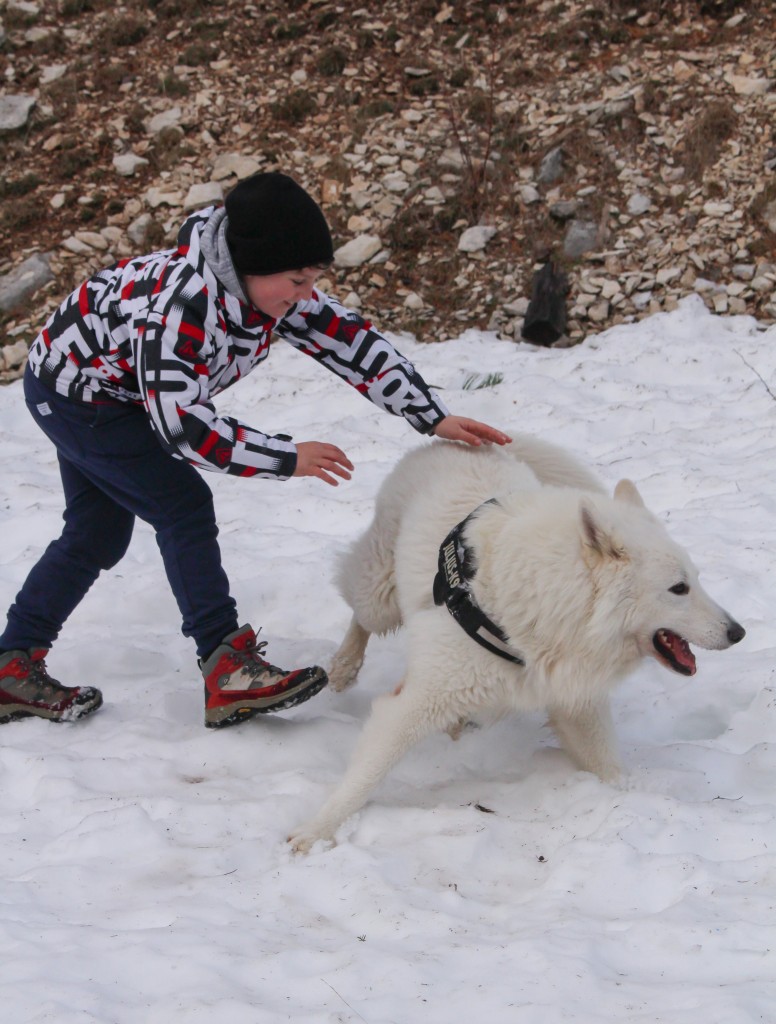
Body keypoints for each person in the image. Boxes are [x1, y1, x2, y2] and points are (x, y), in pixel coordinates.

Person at [0, 171, 512, 728]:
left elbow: (350, 342)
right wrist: (287, 457)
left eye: (314, 279)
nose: (306, 295)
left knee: (95, 533)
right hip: (77, 394)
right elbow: (184, 428)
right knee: (181, 505)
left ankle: (12, 666)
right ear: (249, 267)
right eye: (297, 280)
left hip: (119, 395)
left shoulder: (271, 290)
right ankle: (226, 667)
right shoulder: (180, 307)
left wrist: (431, 414)